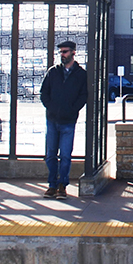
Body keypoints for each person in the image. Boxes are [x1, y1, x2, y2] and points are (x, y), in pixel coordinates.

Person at [39, 40, 88, 200]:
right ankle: (52, 185)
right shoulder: (53, 72)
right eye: (60, 52)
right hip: (52, 119)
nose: (62, 55)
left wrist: (72, 109)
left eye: (65, 52)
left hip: (68, 120)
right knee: (50, 154)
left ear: (73, 52)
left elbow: (83, 95)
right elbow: (44, 92)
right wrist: (51, 107)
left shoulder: (81, 74)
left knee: (66, 155)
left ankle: (62, 185)